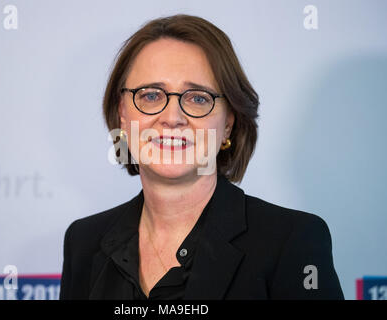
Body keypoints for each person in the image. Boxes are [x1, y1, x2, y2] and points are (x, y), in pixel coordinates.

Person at [59, 14, 344, 300]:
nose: (172, 118)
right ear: (122, 113)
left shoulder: (292, 241)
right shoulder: (83, 242)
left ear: (228, 123)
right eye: (150, 95)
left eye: (197, 98)